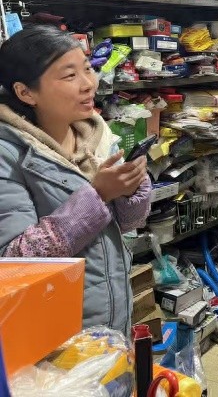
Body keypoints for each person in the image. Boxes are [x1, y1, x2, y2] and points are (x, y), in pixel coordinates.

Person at [0, 25, 151, 333]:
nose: (89, 84)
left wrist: (131, 188)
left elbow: (128, 223)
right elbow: (15, 263)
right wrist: (98, 195)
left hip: (109, 317)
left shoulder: (95, 134)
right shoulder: (8, 154)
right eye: (70, 76)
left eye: (88, 69)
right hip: (50, 333)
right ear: (25, 92)